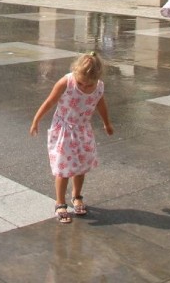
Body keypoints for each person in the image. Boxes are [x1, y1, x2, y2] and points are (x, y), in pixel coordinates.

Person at [30, 52, 114, 224]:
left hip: (83, 129)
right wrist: (36, 120)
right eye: (81, 82)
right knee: (63, 167)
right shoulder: (66, 82)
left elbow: (101, 104)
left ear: (97, 78)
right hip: (64, 130)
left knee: (81, 166)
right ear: (76, 72)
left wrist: (107, 123)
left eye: (88, 84)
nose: (84, 86)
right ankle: (60, 202)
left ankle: (77, 196)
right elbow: (49, 102)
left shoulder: (98, 86)